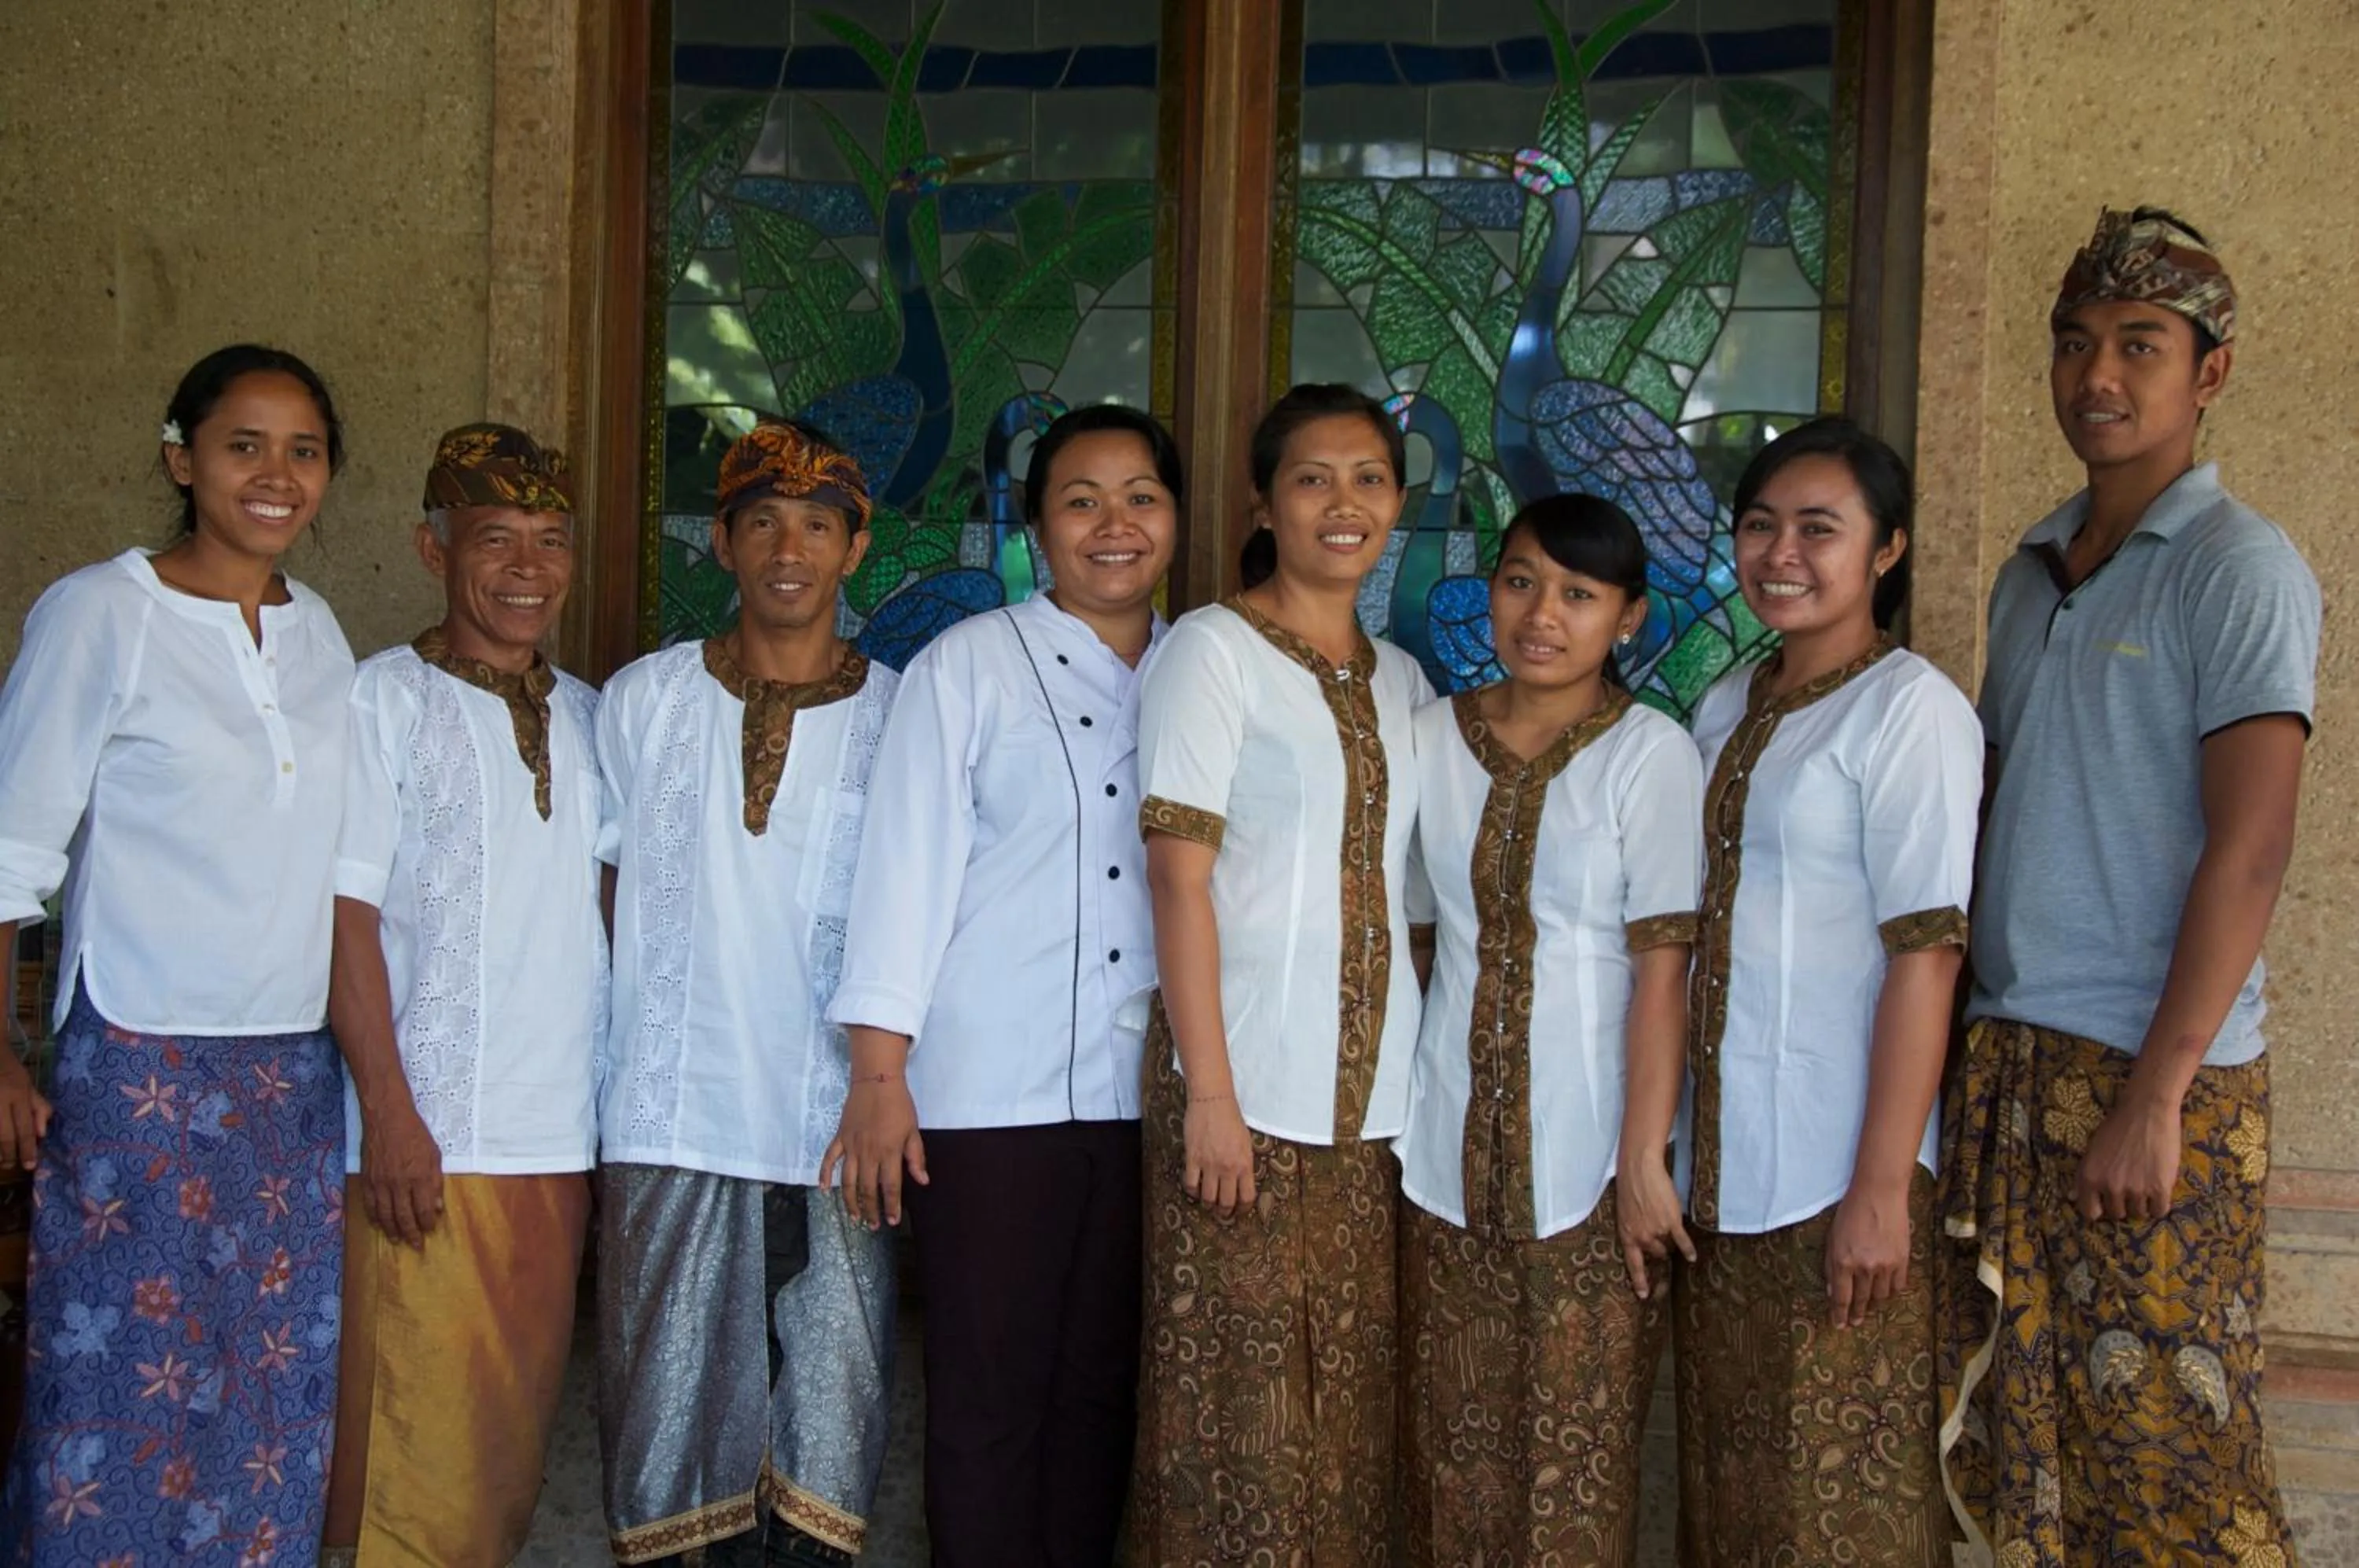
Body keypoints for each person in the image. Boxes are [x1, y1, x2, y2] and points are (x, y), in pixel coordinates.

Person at [1940, 208, 2316, 1566]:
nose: (2100, 375)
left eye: (2141, 345)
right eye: (2078, 341)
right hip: (2016, 1060)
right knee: (2038, 1447)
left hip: (2154, 1077)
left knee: (2173, 1453)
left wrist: (2157, 1096)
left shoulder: (2238, 568)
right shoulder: (2031, 569)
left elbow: (2252, 847)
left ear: (2208, 374)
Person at [0, 346, 355, 1562]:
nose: (275, 474)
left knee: (269, 1394)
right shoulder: (103, 612)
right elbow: (8, 849)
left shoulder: (320, 636)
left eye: (303, 450)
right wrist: (3, 1052)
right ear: (180, 459)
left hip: (294, 1077)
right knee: (121, 1397)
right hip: (140, 1064)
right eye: (243, 444)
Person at [824, 404, 1183, 1567]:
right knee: (988, 1394)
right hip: (991, 1100)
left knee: (1101, 1392)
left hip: (1149, 1099)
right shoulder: (969, 666)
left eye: (1140, 496)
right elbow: (904, 870)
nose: (1112, 524)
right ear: (1034, 525)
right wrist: (880, 1071)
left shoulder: (1206, 666)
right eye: (1081, 499)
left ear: (1176, 519)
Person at [1132, 381, 1431, 1564]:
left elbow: (1410, 908)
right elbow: (1177, 877)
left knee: (1346, 1419)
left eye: (1368, 478)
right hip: (1240, 1101)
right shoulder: (1213, 651)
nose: (1342, 503)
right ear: (1264, 501)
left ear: (1400, 502)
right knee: (1235, 1422)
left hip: (1369, 1122)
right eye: (1313, 478)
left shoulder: (1403, 681)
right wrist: (1212, 1096)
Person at [1674, 418, 1979, 1566]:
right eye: (1760, 525)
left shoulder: (1911, 712)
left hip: (1837, 1177)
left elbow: (1927, 951)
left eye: (1819, 528)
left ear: (1887, 549)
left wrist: (1880, 1187)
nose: (1781, 553)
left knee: (1839, 1507)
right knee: (1737, 1493)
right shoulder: (1725, 707)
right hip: (1722, 1175)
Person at [594, 418, 896, 1566]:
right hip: (670, 1112)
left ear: (855, 547)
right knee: (660, 1420)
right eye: (762, 520)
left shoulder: (902, 713)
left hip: (837, 1127)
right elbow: (601, 891)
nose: (790, 547)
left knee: (833, 1428)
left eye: (819, 524)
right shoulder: (645, 699)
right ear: (721, 540)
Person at [1396, 494, 1702, 1566]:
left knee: (1575, 1468)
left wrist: (1644, 1157)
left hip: (1591, 1172)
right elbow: (1418, 938)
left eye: (1579, 593)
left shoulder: (1650, 755)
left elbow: (1663, 971)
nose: (1543, 613)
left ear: (1628, 617)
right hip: (1444, 1164)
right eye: (1522, 580)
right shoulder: (1433, 735)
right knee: (1450, 1456)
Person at [318, 425, 603, 1567]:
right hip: (424, 1145)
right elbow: (341, 920)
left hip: (554, 1144)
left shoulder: (589, 715)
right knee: (408, 1469)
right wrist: (388, 1112)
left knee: (503, 1451)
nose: (527, 567)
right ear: (433, 551)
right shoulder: (379, 703)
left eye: (550, 540)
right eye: (496, 539)